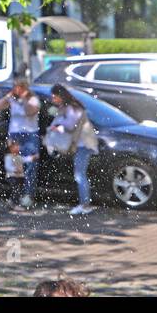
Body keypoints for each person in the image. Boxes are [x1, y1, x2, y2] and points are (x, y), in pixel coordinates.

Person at [49, 84, 99, 215]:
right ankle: (85, 203)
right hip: (84, 143)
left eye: (54, 96)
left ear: (60, 96)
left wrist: (58, 126)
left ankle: (85, 205)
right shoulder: (72, 106)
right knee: (81, 174)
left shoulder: (71, 107)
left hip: (84, 144)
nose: (53, 99)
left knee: (79, 174)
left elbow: (70, 125)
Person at [0, 78, 41, 208]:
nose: (17, 90)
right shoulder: (12, 99)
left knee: (30, 166)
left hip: (30, 135)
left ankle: (27, 196)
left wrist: (24, 98)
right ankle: (15, 196)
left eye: (20, 87)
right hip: (14, 135)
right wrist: (8, 97)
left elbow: (30, 111)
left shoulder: (33, 99)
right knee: (15, 167)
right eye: (15, 87)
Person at [3, 139, 26, 206]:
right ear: (11, 148)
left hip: (19, 177)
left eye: (18, 146)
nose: (18, 148)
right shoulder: (9, 157)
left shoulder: (19, 156)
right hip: (12, 176)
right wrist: (15, 169)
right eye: (16, 146)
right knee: (15, 190)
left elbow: (25, 159)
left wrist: (32, 158)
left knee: (18, 190)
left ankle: (14, 202)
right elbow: (7, 167)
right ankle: (14, 203)